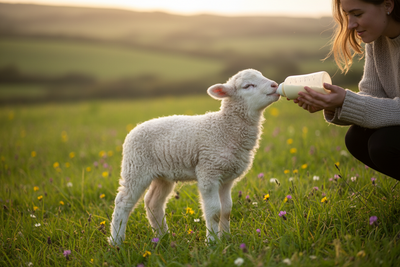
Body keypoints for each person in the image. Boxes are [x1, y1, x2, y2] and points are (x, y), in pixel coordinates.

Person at [292, 0, 400, 180]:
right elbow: (372, 97)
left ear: (388, 5)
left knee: (383, 144)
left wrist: (345, 100)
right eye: (347, 15)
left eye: (357, 14)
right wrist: (332, 103)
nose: (350, 24)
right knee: (357, 138)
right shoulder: (376, 41)